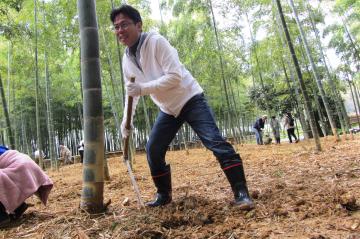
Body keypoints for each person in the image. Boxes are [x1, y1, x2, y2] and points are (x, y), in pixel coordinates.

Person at [110, 5, 254, 210]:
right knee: (153, 149)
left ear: (139, 25)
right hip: (168, 109)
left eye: (124, 24)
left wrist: (142, 89)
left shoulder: (156, 42)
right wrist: (127, 121)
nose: (120, 31)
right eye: (116, 27)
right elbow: (131, 92)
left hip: (190, 98)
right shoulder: (126, 59)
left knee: (215, 142)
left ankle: (241, 193)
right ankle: (163, 195)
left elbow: (174, 77)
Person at [0, 145, 53, 227]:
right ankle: (18, 208)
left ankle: (1, 217)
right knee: (7, 181)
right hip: (26, 161)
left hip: (19, 165)